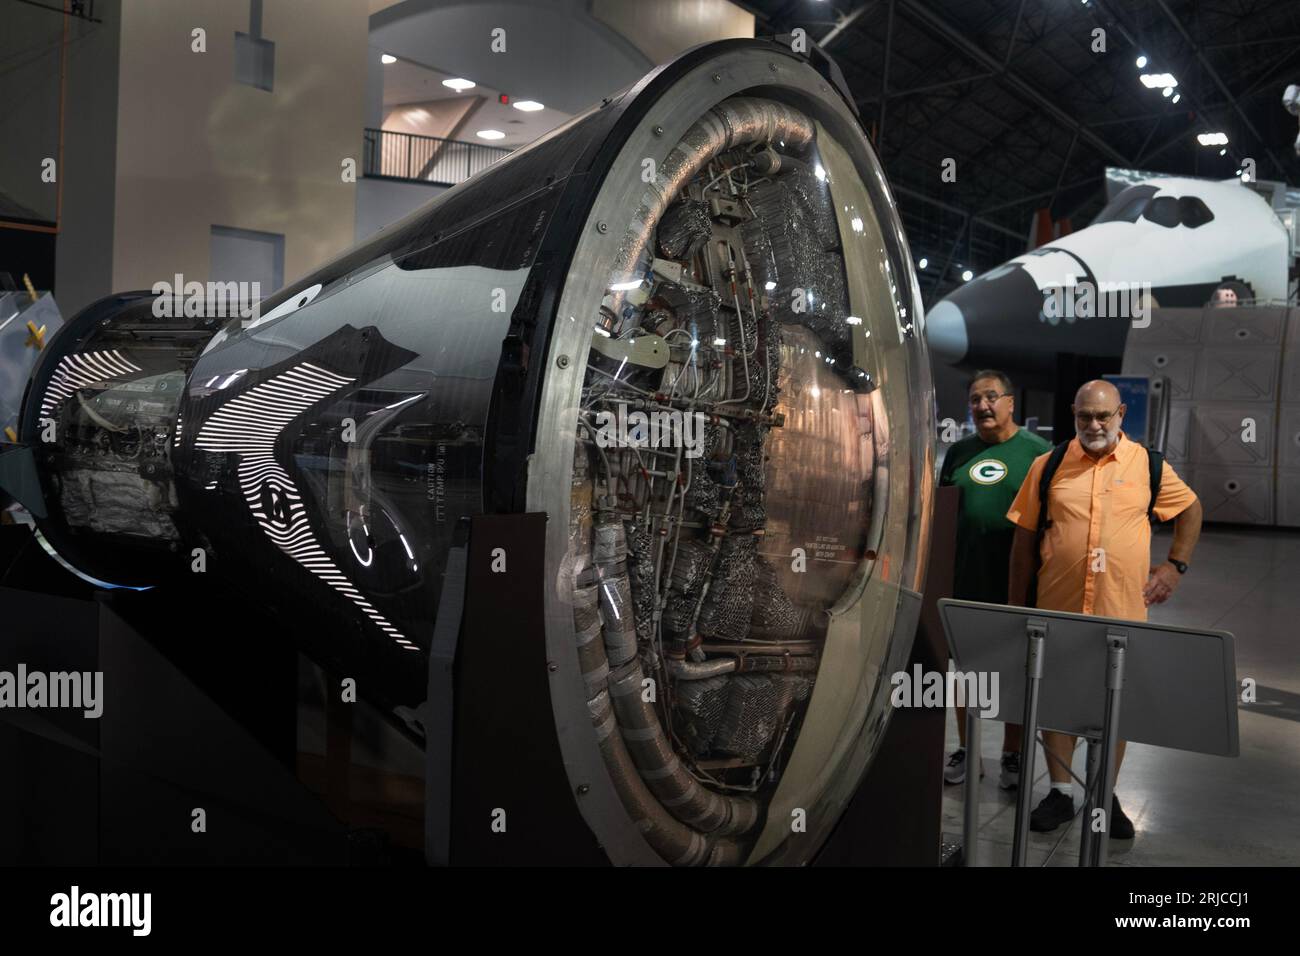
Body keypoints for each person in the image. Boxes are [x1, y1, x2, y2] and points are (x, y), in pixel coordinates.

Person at [1006, 380, 1203, 839]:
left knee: (1115, 706)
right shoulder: (1049, 464)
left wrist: (1175, 566)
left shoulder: (1148, 465)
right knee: (1056, 700)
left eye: (1103, 417)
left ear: (1121, 415)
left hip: (1121, 611)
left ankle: (1103, 795)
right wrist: (1016, 605)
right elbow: (1023, 540)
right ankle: (1060, 791)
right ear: (1074, 414)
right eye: (1084, 417)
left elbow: (1191, 510)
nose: (1094, 425)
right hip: (1059, 608)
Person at [940, 370, 1050, 788]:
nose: (982, 406)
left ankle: (1013, 754)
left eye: (990, 397)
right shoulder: (958, 453)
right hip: (966, 578)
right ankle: (969, 750)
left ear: (1010, 402)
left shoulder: (1039, 454)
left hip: (1020, 585)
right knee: (967, 672)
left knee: (1017, 670)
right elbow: (945, 512)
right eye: (974, 400)